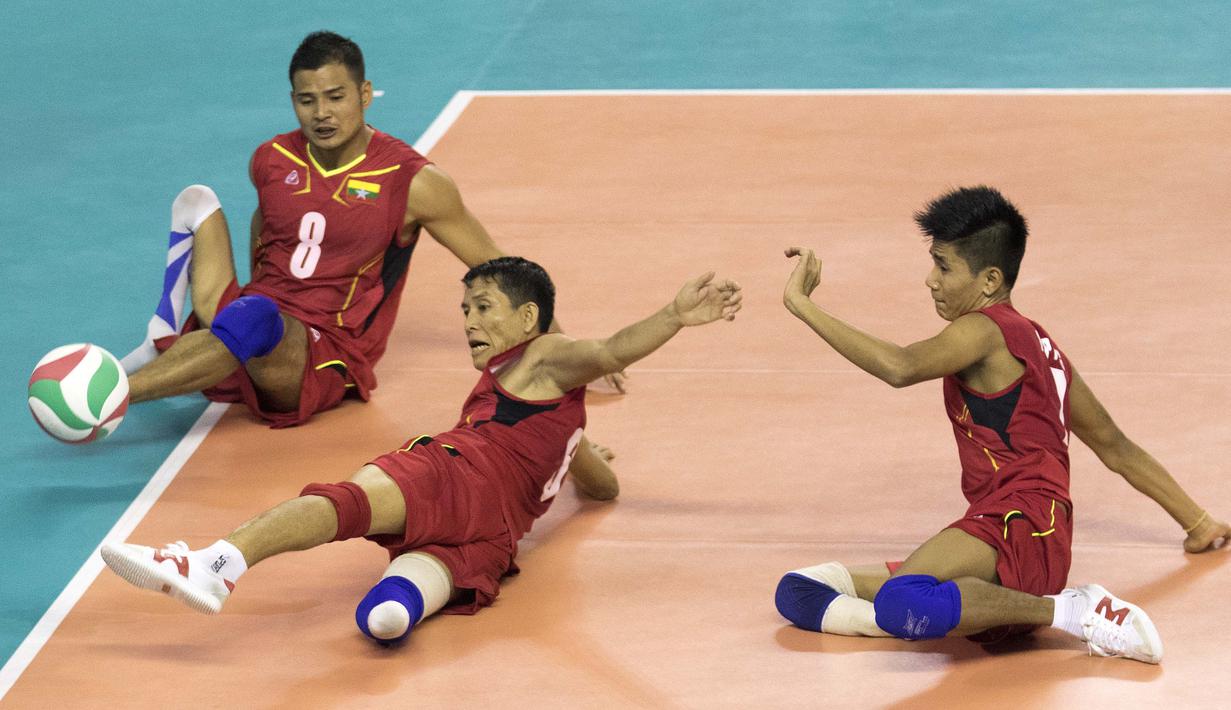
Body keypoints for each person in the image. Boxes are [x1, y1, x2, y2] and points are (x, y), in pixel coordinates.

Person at [101, 257, 742, 643]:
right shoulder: (561, 419)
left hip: (457, 473)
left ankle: (215, 565)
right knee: (389, 608)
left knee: (343, 502)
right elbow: (603, 488)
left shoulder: (543, 353)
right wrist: (578, 455)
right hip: (495, 540)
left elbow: (608, 351)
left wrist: (673, 315)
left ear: (528, 319)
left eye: (484, 307)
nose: (469, 321)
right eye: (464, 308)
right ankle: (394, 615)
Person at [773, 186, 1228, 664]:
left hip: (1022, 522)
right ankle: (960, 608)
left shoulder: (983, 329)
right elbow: (1114, 445)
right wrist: (1198, 523)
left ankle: (1071, 611)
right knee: (800, 590)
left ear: (990, 280)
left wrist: (802, 304)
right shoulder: (1040, 346)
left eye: (944, 266)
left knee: (901, 599)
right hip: (1016, 530)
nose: (930, 280)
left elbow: (901, 367)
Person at [117, 30, 623, 430]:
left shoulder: (414, 182)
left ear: (364, 94)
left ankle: (110, 399)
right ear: (292, 100)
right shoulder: (271, 158)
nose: (322, 114)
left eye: (336, 97)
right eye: (307, 100)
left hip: (323, 353)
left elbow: (495, 268)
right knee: (198, 202)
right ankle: (170, 335)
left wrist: (568, 351)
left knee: (254, 317)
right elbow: (265, 235)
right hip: (258, 320)